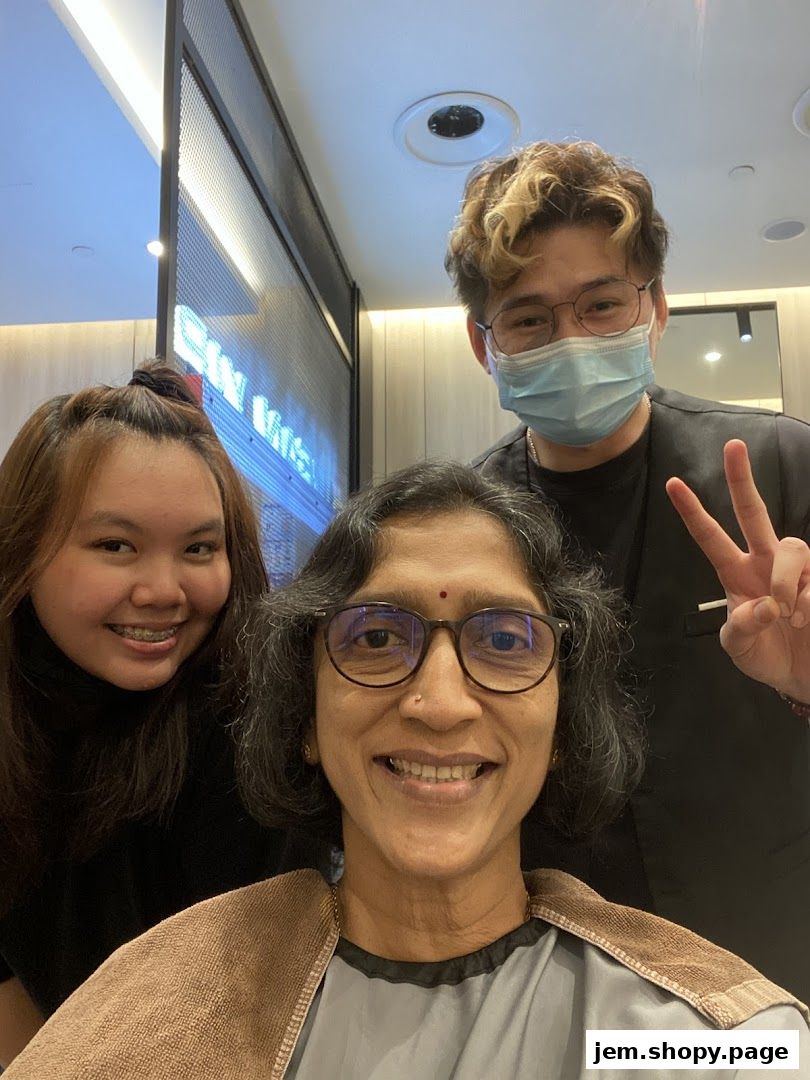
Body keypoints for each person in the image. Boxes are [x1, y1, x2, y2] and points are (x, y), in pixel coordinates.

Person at [4, 462, 808, 1079]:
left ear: (563, 724)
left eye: (504, 640)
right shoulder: (158, 1009)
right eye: (378, 639)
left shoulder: (710, 1035)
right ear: (307, 721)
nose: (441, 703)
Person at [445, 140, 810, 999]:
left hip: (774, 958)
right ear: (482, 343)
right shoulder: (463, 530)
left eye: (602, 304)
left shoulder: (779, 470)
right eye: (529, 320)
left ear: (655, 308)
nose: (570, 340)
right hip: (563, 978)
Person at [0, 365, 322, 1066]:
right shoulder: (18, 723)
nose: (164, 591)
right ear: (22, 551)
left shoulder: (248, 739)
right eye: (115, 546)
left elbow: (257, 1019)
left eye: (200, 550)